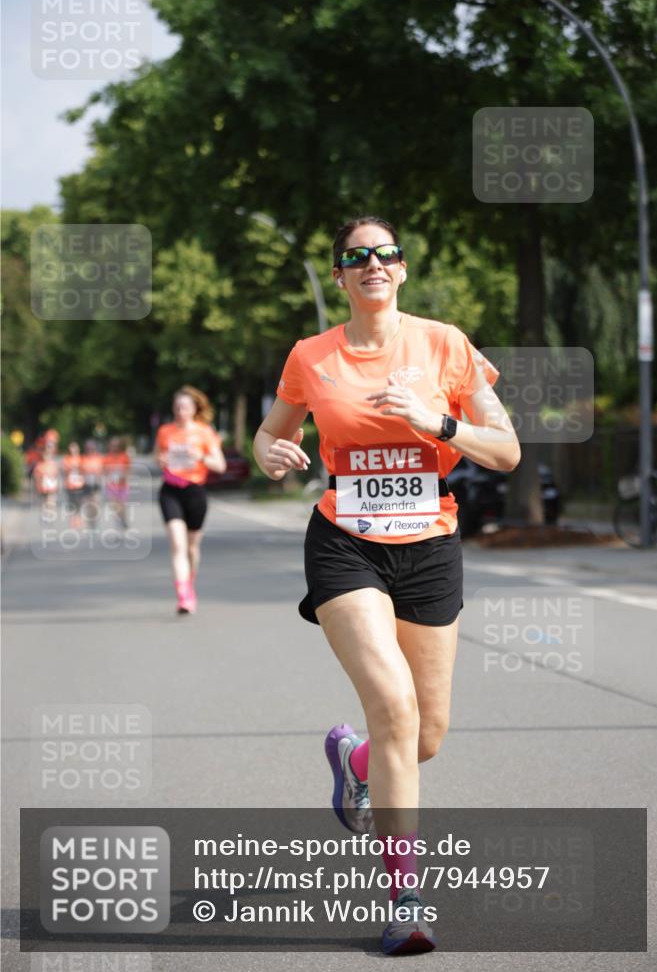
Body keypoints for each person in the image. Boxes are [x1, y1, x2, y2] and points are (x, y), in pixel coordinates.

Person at [253, 216, 520, 956]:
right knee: (393, 708)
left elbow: (504, 449)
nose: (372, 263)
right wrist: (271, 451)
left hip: (430, 545)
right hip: (345, 543)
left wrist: (434, 419)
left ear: (401, 269)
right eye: (355, 256)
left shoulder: (446, 345)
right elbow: (268, 434)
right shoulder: (312, 355)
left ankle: (354, 762)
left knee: (424, 735)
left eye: (385, 254)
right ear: (339, 276)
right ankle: (405, 896)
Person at [154, 386, 226, 614]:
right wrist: (162, 460)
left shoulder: (204, 432)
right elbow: (158, 457)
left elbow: (220, 465)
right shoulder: (165, 431)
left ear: (194, 409)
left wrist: (201, 457)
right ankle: (183, 595)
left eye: (185, 407)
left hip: (195, 491)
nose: (180, 411)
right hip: (170, 490)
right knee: (178, 544)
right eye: (177, 407)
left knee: (192, 549)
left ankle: (189, 581)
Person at [104, 437, 131, 529]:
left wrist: (123, 475)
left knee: (121, 505)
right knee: (114, 505)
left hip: (122, 485)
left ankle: (122, 518)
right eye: (112, 446)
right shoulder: (107, 457)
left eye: (116, 446)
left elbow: (128, 470)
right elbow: (104, 471)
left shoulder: (124, 457)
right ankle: (118, 522)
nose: (114, 448)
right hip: (111, 486)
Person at [32, 437, 60, 521]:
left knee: (50, 499)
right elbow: (36, 475)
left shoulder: (53, 463)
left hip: (51, 482)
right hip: (42, 484)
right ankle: (45, 513)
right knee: (43, 500)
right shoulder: (40, 463)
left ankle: (51, 513)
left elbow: (56, 474)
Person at [81, 439, 104, 529]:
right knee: (88, 504)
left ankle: (94, 521)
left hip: (96, 484)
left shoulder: (99, 458)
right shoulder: (83, 458)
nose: (90, 450)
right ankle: (90, 523)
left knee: (96, 503)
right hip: (86, 484)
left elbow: (103, 470)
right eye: (88, 449)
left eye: (92, 448)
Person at [62, 442, 86, 529]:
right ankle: (73, 520)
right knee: (71, 504)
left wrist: (78, 468)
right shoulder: (67, 459)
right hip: (70, 485)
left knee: (80, 503)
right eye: (71, 449)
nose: (73, 450)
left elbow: (84, 469)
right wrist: (72, 467)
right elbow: (65, 469)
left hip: (79, 484)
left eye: (74, 448)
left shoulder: (81, 458)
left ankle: (80, 520)